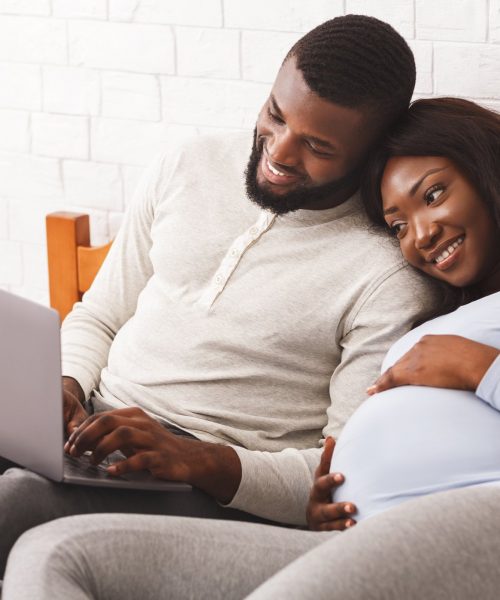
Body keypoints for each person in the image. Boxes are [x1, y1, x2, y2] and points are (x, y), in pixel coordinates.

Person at [0, 14, 439, 582]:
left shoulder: (387, 274)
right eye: (275, 115)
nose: (279, 152)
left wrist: (199, 460)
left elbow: (341, 474)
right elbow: (102, 314)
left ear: (371, 150)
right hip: (90, 432)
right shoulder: (188, 164)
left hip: (211, 490)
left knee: (17, 502)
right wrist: (63, 386)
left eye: (317, 146)